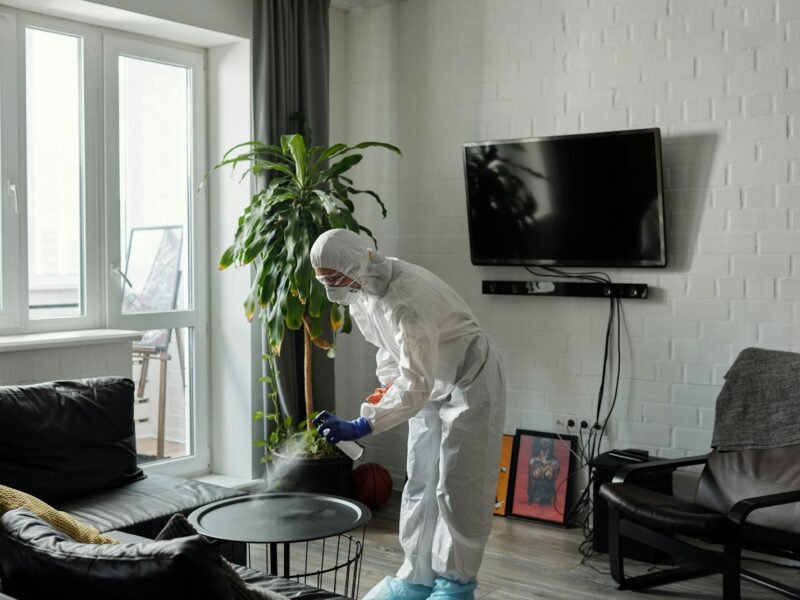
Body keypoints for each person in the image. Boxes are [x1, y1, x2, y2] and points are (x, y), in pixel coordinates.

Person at [309, 229, 506, 600]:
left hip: (469, 379)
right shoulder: (362, 292)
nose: (331, 287)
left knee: (459, 486)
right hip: (429, 383)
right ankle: (416, 577)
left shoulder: (405, 299)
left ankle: (454, 585)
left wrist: (363, 424)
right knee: (421, 478)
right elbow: (388, 350)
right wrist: (385, 389)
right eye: (324, 280)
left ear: (355, 263)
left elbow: (414, 382)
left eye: (334, 278)